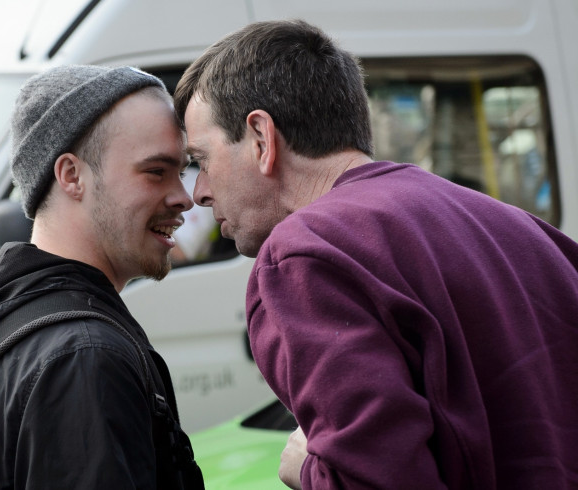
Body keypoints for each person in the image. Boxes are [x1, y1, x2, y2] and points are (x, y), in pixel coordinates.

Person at [174, 19, 578, 490]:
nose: (198, 192)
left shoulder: (304, 258)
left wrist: (309, 468)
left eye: (201, 161)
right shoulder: (521, 228)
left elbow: (377, 478)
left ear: (262, 139)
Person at [0, 65, 204, 488]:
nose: (184, 198)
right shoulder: (83, 356)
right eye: (156, 171)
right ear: (71, 176)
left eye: (183, 170)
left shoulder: (6, 317)